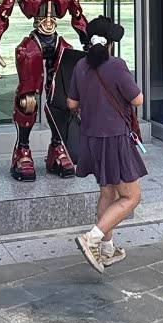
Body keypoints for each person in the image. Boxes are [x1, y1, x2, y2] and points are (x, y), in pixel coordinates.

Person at [67, 18, 146, 272]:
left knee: (107, 193)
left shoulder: (81, 65)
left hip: (91, 139)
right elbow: (138, 100)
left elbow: (71, 103)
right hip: (115, 139)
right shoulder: (116, 65)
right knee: (131, 196)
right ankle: (91, 238)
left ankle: (107, 249)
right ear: (110, 43)